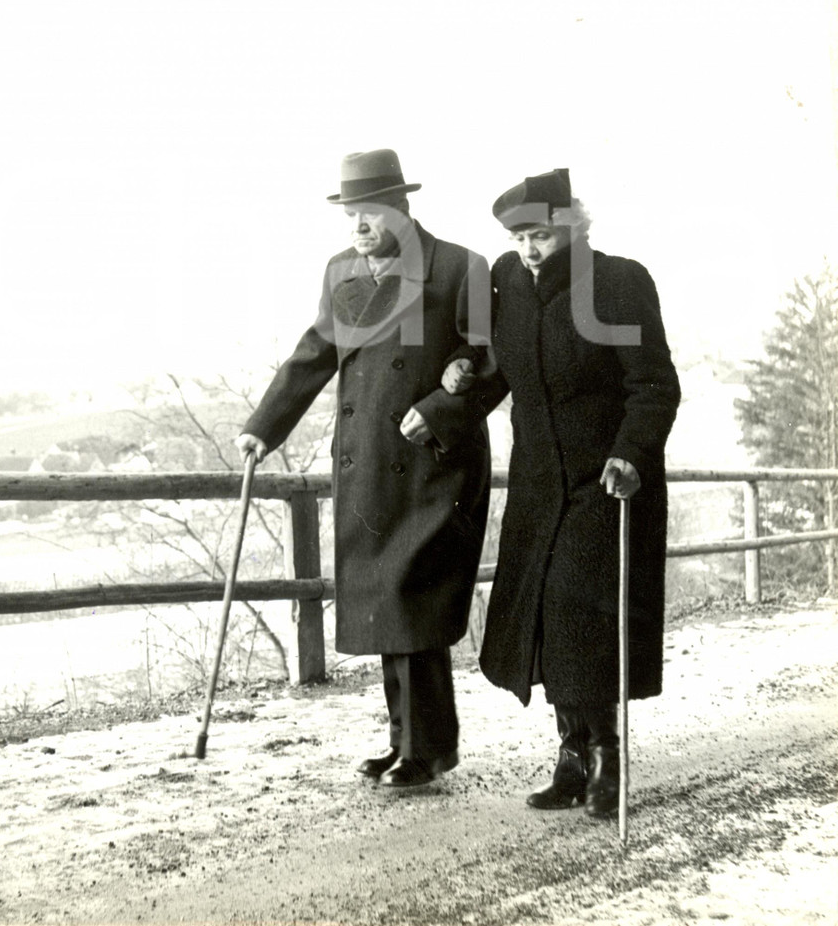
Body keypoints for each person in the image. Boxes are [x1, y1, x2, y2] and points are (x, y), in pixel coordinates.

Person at [235, 148, 493, 791]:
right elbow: (315, 351)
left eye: (368, 211)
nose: (356, 224)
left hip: (434, 465)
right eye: (350, 212)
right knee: (388, 606)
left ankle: (430, 749)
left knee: (414, 602)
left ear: (402, 207)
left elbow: (492, 360)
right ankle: (405, 742)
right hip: (370, 467)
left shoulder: (460, 267)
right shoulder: (341, 271)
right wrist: (263, 427)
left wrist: (439, 410)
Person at [442, 167, 680, 817]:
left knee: (582, 620)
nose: (528, 248)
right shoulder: (508, 284)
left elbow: (654, 385)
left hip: (604, 481)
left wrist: (631, 454)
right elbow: (498, 367)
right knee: (547, 622)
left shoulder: (619, 283)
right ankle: (571, 754)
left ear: (573, 224)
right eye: (519, 236)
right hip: (539, 485)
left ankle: (605, 755)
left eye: (541, 234)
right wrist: (464, 372)